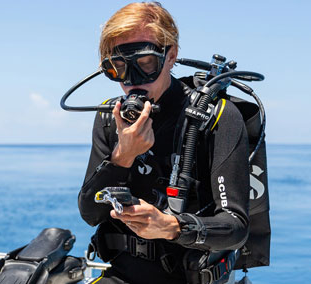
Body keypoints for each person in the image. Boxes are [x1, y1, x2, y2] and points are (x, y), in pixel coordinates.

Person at [79, 2, 250, 284]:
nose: (132, 80)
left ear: (171, 56)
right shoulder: (111, 119)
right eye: (118, 68)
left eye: (146, 64)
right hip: (122, 276)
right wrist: (123, 155)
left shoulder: (216, 116)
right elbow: (90, 212)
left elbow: (236, 225)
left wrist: (171, 227)